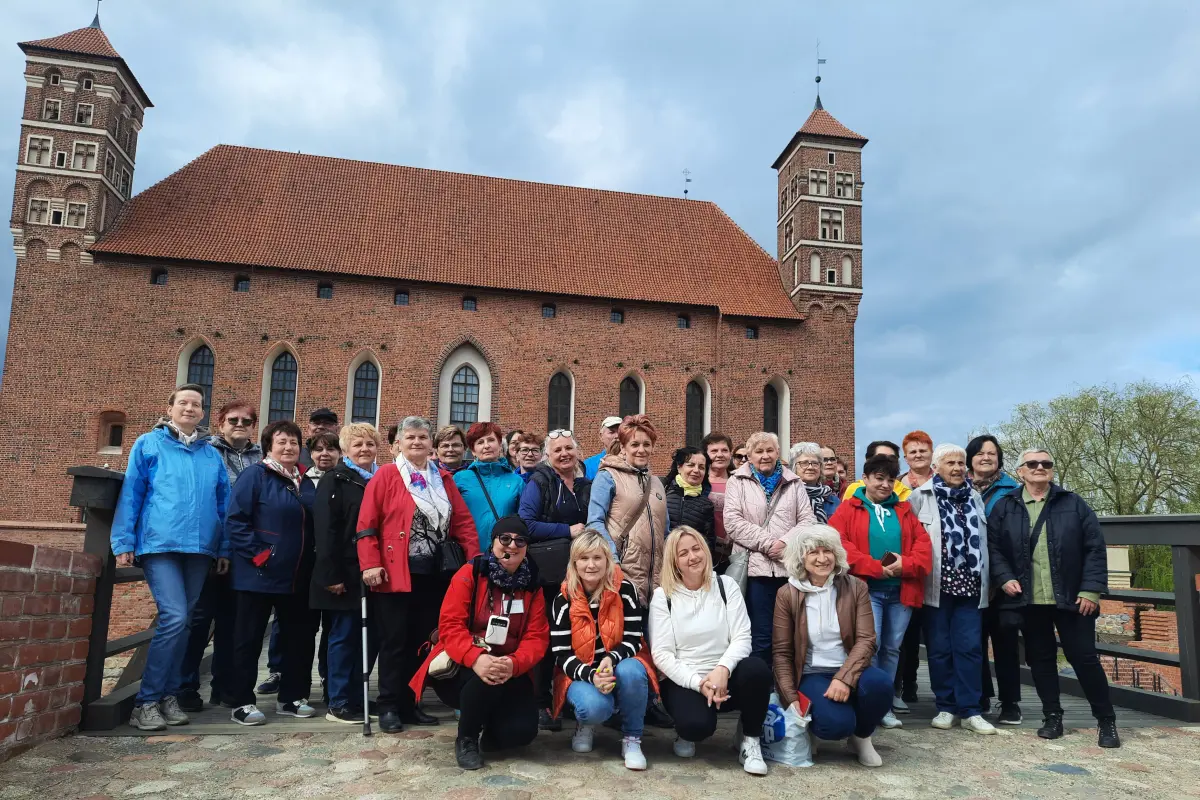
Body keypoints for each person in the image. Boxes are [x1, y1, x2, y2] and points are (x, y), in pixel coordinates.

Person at [112, 384, 231, 731]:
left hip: (199, 547)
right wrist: (122, 540)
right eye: (184, 403)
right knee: (175, 616)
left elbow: (222, 504)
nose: (191, 409)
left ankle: (168, 695)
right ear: (170, 408)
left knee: (188, 621)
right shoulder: (149, 444)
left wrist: (222, 548)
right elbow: (132, 491)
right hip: (159, 543)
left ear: (203, 412)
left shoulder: (210, 454)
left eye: (197, 404)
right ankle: (146, 701)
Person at [357, 416, 481, 733]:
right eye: (410, 437)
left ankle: (411, 703)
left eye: (422, 437)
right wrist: (369, 563)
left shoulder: (443, 479)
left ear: (430, 443)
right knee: (394, 641)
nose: (416, 442)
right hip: (395, 572)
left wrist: (474, 560)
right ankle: (388, 706)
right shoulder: (386, 475)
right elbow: (367, 524)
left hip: (435, 575)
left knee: (421, 642)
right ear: (398, 442)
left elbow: (463, 523)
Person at [988, 449, 1118, 748]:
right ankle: (1052, 717)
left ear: (1053, 470)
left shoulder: (1073, 504)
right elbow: (993, 548)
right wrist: (1004, 577)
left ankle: (1106, 720)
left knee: (1084, 658)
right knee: (1042, 660)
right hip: (1030, 599)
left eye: (1046, 464)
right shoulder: (1005, 507)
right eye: (1032, 464)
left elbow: (1094, 548)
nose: (1039, 468)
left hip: (1073, 598)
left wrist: (1090, 590)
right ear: (1020, 471)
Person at [409, 516, 549, 770]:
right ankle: (467, 738)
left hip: (509, 666)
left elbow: (536, 637)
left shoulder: (532, 585)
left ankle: (490, 724)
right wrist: (478, 658)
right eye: (504, 539)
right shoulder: (471, 574)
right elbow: (451, 626)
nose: (512, 545)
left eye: (520, 540)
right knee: (487, 679)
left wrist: (513, 663)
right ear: (493, 542)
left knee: (522, 733)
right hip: (462, 663)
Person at [650, 526, 772, 775]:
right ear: (674, 561)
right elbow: (662, 654)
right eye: (683, 553)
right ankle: (685, 733)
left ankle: (750, 739)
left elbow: (742, 637)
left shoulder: (726, 585)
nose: (692, 557)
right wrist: (699, 683)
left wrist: (722, 670)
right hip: (687, 680)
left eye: (696, 549)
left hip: (726, 676)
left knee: (757, 670)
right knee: (696, 727)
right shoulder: (664, 597)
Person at [772, 526, 893, 767]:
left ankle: (861, 737)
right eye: (813, 552)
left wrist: (844, 678)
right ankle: (818, 727)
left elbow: (867, 640)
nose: (822, 558)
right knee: (835, 725)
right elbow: (782, 652)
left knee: (880, 685)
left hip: (849, 667)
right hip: (811, 673)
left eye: (827, 551)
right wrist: (790, 697)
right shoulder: (787, 594)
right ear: (801, 558)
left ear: (836, 554)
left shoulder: (856, 587)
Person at [829, 453, 932, 730]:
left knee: (892, 648)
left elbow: (924, 550)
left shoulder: (905, 511)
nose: (885, 485)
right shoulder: (848, 509)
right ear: (865, 479)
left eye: (889, 480)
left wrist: (904, 566)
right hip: (866, 591)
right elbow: (839, 546)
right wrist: (875, 567)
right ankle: (867, 701)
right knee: (868, 647)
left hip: (901, 592)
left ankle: (884, 705)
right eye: (879, 478)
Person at [225, 419, 318, 725]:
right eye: (282, 442)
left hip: (297, 575)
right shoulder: (256, 476)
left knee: (299, 639)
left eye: (294, 442)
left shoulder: (305, 481)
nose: (289, 447)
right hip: (259, 574)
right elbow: (236, 521)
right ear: (269, 447)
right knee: (248, 639)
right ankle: (241, 701)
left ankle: (291, 697)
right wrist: (260, 556)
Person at [907, 444, 996, 735]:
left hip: (970, 585)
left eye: (960, 463)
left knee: (970, 648)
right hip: (937, 585)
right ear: (937, 467)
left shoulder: (975, 497)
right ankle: (946, 706)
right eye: (950, 463)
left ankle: (971, 710)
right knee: (940, 649)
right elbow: (911, 538)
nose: (957, 468)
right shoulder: (920, 497)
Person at [178, 400, 259, 712]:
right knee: (198, 620)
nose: (240, 424)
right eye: (233, 420)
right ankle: (185, 687)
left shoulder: (259, 458)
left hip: (242, 553)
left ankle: (223, 687)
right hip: (208, 548)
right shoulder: (206, 452)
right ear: (221, 423)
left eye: (246, 420)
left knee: (232, 623)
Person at [550, 531, 655, 770]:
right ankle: (585, 723)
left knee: (632, 670)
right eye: (584, 558)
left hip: (618, 666)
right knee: (594, 708)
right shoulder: (562, 599)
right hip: (580, 673)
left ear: (607, 560)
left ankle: (632, 739)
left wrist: (611, 658)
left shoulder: (625, 590)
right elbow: (561, 653)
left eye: (597, 557)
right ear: (574, 562)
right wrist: (592, 676)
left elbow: (634, 639)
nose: (591, 565)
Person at [517, 428, 592, 730]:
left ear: (577, 452)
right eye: (557, 449)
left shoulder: (587, 485)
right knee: (548, 638)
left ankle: (571, 697)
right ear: (548, 455)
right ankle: (539, 702)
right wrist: (568, 530)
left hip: (582, 574)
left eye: (569, 449)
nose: (564, 454)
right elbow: (526, 523)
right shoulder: (541, 481)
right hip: (549, 575)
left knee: (577, 638)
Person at [724, 431, 816, 663]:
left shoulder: (794, 482)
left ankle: (786, 687)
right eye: (759, 451)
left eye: (769, 450)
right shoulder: (737, 481)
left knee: (788, 635)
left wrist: (785, 543)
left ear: (777, 453)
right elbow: (732, 522)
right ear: (749, 456)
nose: (765, 456)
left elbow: (807, 520)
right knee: (760, 635)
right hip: (754, 572)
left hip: (789, 569)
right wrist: (768, 544)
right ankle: (763, 691)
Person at [310, 422, 379, 724]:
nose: (364, 449)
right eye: (358, 444)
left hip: (370, 572)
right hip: (343, 572)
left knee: (366, 637)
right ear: (346, 449)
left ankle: (357, 695)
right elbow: (326, 531)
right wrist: (331, 575)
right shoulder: (335, 480)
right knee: (343, 636)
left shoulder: (379, 479)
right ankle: (338, 701)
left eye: (370, 444)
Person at [966, 434, 1022, 723]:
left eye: (992, 453)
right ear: (970, 458)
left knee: (1005, 643)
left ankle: (1011, 702)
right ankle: (981, 696)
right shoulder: (959, 489)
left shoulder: (1013, 490)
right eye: (980, 453)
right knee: (974, 642)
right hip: (973, 580)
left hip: (1003, 580)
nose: (986, 457)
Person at [586, 414, 669, 605]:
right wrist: (613, 560)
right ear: (623, 447)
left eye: (646, 444)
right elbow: (594, 522)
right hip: (621, 574)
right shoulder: (607, 476)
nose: (641, 450)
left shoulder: (657, 483)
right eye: (635, 444)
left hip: (656, 582)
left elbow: (664, 531)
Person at [455, 422, 525, 553]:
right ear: (473, 450)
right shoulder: (460, 479)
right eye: (480, 442)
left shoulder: (516, 481)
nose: (486, 446)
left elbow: (523, 521)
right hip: (468, 554)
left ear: (499, 445)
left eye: (491, 440)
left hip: (505, 555)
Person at [663, 446, 717, 556]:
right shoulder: (662, 492)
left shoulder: (707, 505)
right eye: (691, 465)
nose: (696, 470)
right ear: (679, 467)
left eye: (701, 467)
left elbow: (709, 542)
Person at [701, 432, 734, 567]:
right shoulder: (699, 482)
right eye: (714, 451)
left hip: (734, 552)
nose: (719, 455)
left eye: (724, 450)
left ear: (730, 454)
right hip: (705, 550)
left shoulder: (740, 481)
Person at [842, 441, 911, 502]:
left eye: (892, 459)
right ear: (868, 461)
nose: (887, 463)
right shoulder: (853, 489)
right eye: (880, 458)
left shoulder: (906, 494)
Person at [791, 442, 840, 523]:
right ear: (794, 467)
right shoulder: (787, 497)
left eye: (815, 463)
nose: (810, 467)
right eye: (804, 463)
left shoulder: (833, 500)